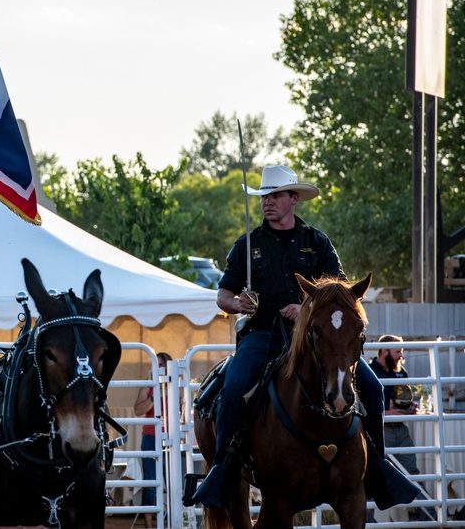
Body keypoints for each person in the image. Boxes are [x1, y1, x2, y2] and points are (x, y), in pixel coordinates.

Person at [191, 164, 412, 509]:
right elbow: (223, 294)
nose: (268, 203)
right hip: (262, 334)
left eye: (276, 196)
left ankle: (379, 468)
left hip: (316, 337)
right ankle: (221, 470)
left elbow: (341, 293)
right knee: (233, 388)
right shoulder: (247, 245)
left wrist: (303, 307)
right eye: (265, 197)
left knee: (372, 387)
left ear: (294, 199)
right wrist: (238, 303)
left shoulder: (317, 242)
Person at [369, 334, 428, 519]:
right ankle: (366, 520)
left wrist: (410, 407)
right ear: (384, 351)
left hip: (401, 429)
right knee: (374, 473)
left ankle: (430, 515)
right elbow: (364, 404)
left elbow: (404, 398)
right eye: (397, 351)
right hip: (380, 430)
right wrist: (386, 414)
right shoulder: (370, 372)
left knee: (412, 472)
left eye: (401, 351)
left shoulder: (401, 373)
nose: (401, 355)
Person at [134, 352, 172, 529]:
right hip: (150, 437)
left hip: (171, 438)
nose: (157, 368)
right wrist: (153, 396)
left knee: (173, 482)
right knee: (150, 481)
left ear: (167, 366)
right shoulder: (147, 386)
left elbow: (182, 408)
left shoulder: (175, 385)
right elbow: (137, 411)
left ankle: (173, 521)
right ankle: (150, 526)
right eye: (155, 364)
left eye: (160, 364)